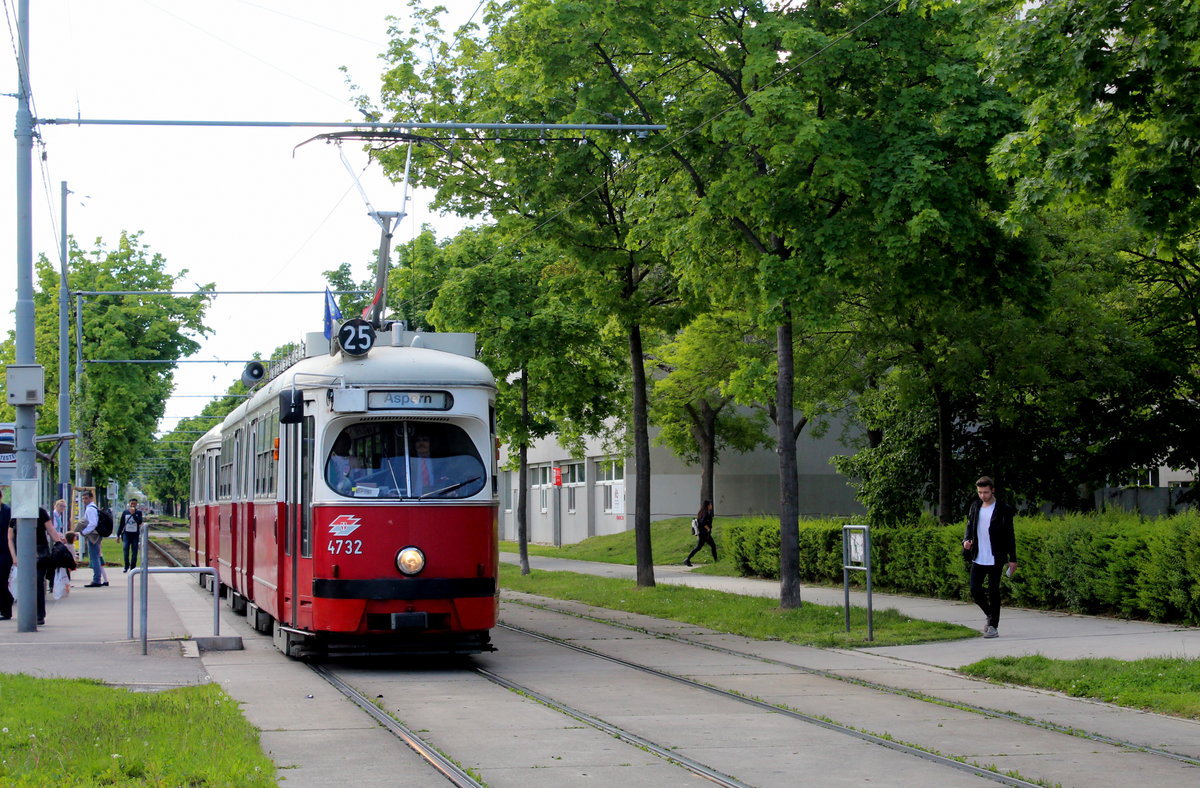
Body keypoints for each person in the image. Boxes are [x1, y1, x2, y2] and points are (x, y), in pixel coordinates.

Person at [962, 476, 1018, 638]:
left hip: (996, 557)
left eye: (985, 492)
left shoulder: (1003, 509)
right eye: (980, 492)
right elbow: (969, 525)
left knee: (994, 591)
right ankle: (990, 614)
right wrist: (966, 540)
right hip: (978, 555)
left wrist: (1012, 559)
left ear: (992, 490)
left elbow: (1010, 534)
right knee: (974, 589)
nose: (982, 496)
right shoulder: (975, 506)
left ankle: (993, 626)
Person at [7, 505, 67, 626]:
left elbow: (51, 530)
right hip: (23, 555)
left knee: (38, 582)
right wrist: (14, 557)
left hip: (41, 554)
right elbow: (10, 538)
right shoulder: (17, 514)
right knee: (26, 584)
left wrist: (59, 544)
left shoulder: (40, 512)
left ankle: (39, 614)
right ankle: (28, 613)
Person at [79, 490, 108, 587]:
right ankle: (97, 578)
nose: (84, 500)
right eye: (83, 498)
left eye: (86, 498)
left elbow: (93, 523)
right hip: (96, 534)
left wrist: (84, 532)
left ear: (91, 498)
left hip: (93, 535)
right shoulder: (93, 507)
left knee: (94, 557)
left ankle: (96, 579)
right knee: (96, 556)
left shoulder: (90, 509)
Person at [685, 499, 718, 567]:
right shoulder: (706, 513)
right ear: (708, 505)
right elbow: (703, 522)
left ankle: (687, 559)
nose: (711, 506)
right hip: (705, 534)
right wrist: (708, 529)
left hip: (702, 533)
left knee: (699, 547)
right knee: (713, 546)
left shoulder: (702, 512)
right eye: (710, 504)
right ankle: (716, 560)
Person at [116, 498, 144, 572]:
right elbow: (121, 524)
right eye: (132, 503)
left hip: (135, 534)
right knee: (125, 549)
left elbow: (139, 522)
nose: (133, 505)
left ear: (136, 504)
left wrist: (133, 514)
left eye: (134, 504)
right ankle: (126, 565)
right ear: (129, 504)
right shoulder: (125, 512)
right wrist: (118, 535)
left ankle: (133, 567)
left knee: (134, 551)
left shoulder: (139, 513)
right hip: (126, 534)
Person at [0, 489, 12, 620]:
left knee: (2, 581)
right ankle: (6, 602)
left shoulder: (7, 511)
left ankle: (6, 610)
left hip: (4, 551)